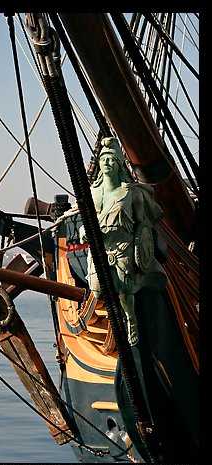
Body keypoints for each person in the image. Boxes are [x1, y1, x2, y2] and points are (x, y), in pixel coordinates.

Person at [80, 137, 167, 345]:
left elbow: (142, 224)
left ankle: (131, 319)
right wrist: (85, 231)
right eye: (104, 160)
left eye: (111, 160)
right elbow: (89, 219)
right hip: (101, 247)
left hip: (123, 247)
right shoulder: (93, 192)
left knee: (126, 290)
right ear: (99, 164)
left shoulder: (130, 192)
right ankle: (114, 316)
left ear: (118, 163)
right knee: (97, 289)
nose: (107, 163)